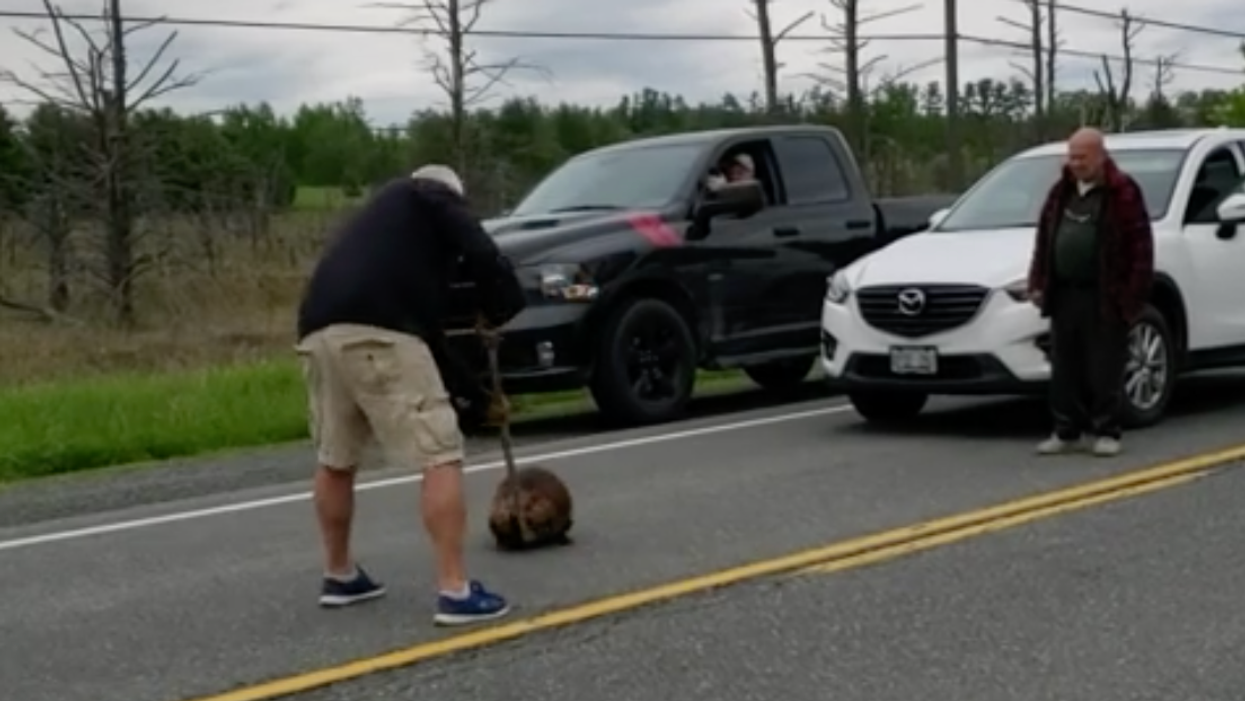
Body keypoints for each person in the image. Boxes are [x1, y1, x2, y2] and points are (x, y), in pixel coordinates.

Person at [293, 164, 526, 626]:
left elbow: (430, 345)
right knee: (439, 452)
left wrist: (478, 399)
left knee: (335, 456)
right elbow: (481, 251)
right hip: (382, 331)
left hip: (318, 331)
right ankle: (455, 589)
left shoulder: (379, 226)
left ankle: (339, 574)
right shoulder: (432, 196)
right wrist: (502, 303)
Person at [1026, 127, 1154, 458]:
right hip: (1065, 294)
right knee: (1064, 366)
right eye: (1071, 156)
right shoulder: (1060, 192)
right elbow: (1044, 239)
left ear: (1100, 155)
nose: (1075, 163)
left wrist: (1130, 298)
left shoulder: (1122, 191)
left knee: (1104, 366)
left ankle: (1106, 430)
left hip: (1105, 293)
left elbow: (1140, 247)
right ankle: (1066, 431)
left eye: (1082, 157)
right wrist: (1038, 281)